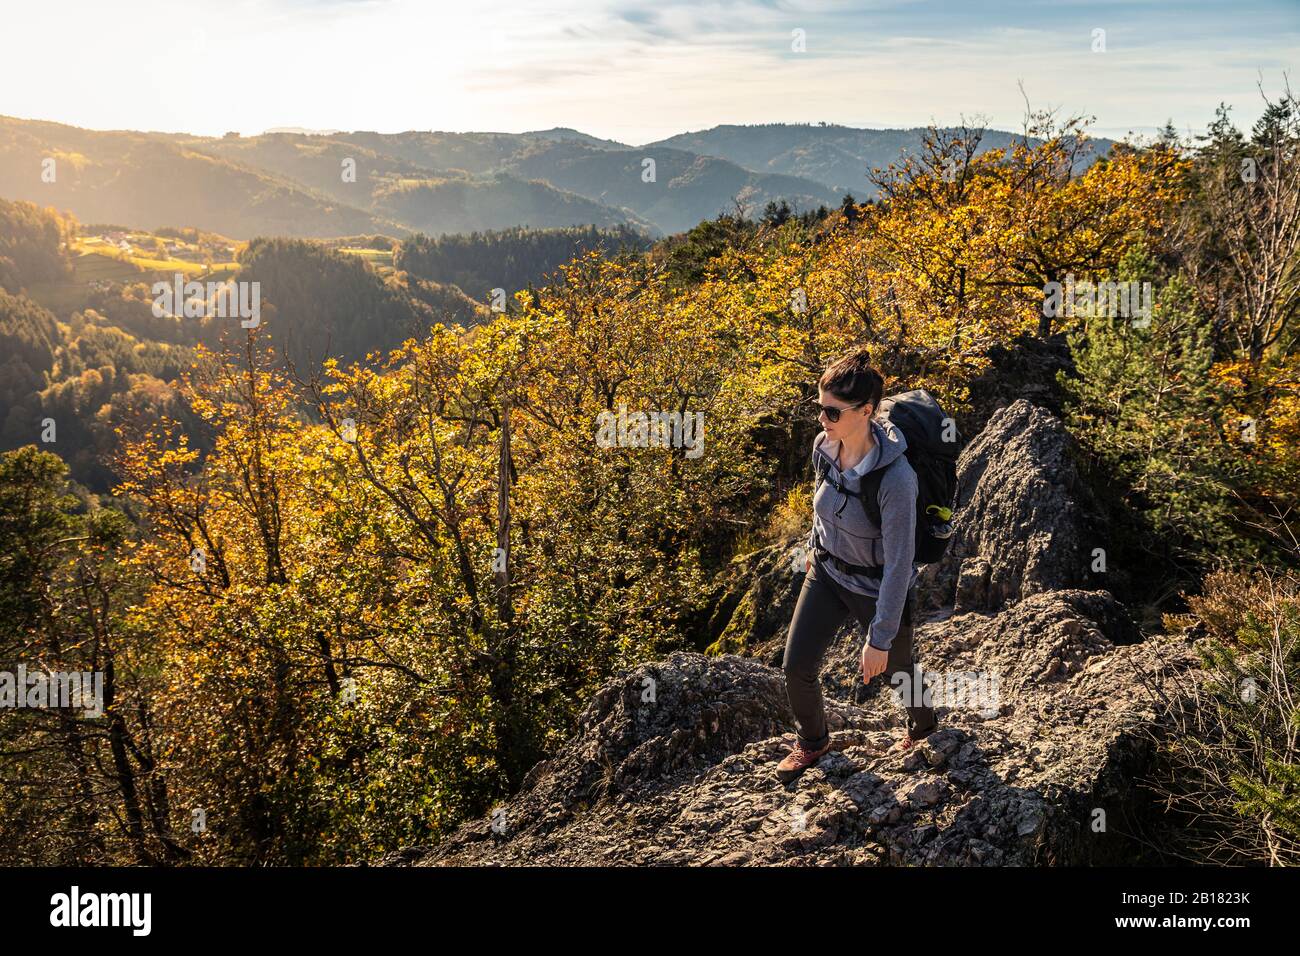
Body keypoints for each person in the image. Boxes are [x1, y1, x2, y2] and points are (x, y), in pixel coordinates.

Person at [776, 349, 938, 783]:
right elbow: (820, 500)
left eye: (832, 411)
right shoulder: (824, 445)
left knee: (899, 673)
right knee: (796, 667)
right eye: (819, 408)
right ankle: (813, 741)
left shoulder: (896, 480)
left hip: (875, 586)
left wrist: (879, 638)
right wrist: (814, 545)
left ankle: (924, 730)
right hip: (828, 573)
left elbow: (901, 565)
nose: (822, 419)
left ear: (866, 411)